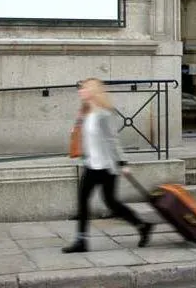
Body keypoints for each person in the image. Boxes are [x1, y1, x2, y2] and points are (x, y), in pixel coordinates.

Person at [62, 78, 152, 253]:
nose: (80, 91)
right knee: (89, 201)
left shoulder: (104, 114)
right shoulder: (86, 112)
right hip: (92, 165)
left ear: (93, 91)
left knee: (111, 203)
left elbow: (113, 140)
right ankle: (82, 241)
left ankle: (142, 225)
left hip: (105, 167)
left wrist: (122, 163)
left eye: (84, 89)